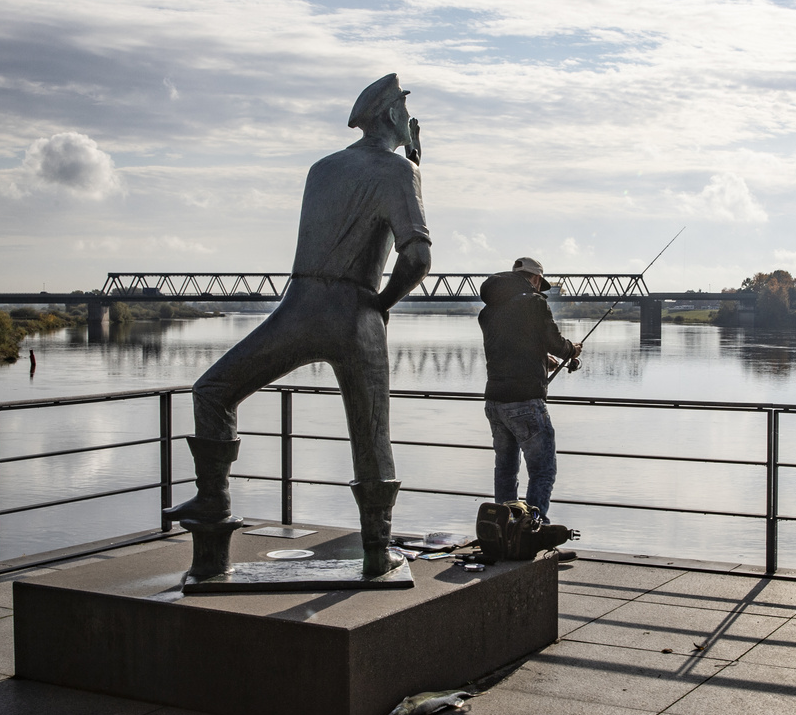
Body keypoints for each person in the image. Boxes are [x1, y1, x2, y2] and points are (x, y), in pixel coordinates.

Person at [168, 73, 431, 577]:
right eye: (404, 106)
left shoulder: (322, 168)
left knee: (213, 391)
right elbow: (416, 257)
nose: (410, 116)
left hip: (299, 304)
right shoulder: (398, 172)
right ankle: (377, 552)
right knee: (372, 436)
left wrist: (410, 165)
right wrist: (383, 304)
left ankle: (212, 507)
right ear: (391, 115)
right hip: (355, 311)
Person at [478, 256, 581, 522]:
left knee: (505, 471)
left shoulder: (489, 311)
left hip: (494, 401)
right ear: (535, 278)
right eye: (540, 283)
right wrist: (571, 350)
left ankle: (504, 526)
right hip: (525, 401)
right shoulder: (534, 303)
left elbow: (506, 346)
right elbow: (555, 342)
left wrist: (540, 358)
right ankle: (533, 527)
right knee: (543, 470)